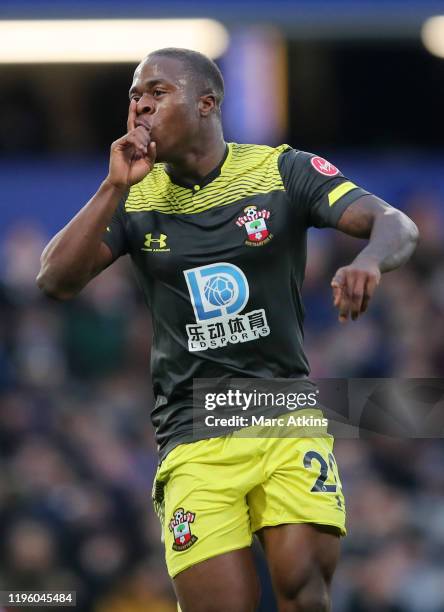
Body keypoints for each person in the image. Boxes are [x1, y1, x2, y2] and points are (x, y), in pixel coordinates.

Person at [37, 48, 418, 612]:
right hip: (192, 430)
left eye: (156, 92)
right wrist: (113, 186)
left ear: (206, 103)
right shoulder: (135, 197)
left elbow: (395, 223)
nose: (139, 105)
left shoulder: (280, 171)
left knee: (302, 594)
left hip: (283, 414)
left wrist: (369, 261)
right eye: (134, 96)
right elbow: (55, 280)